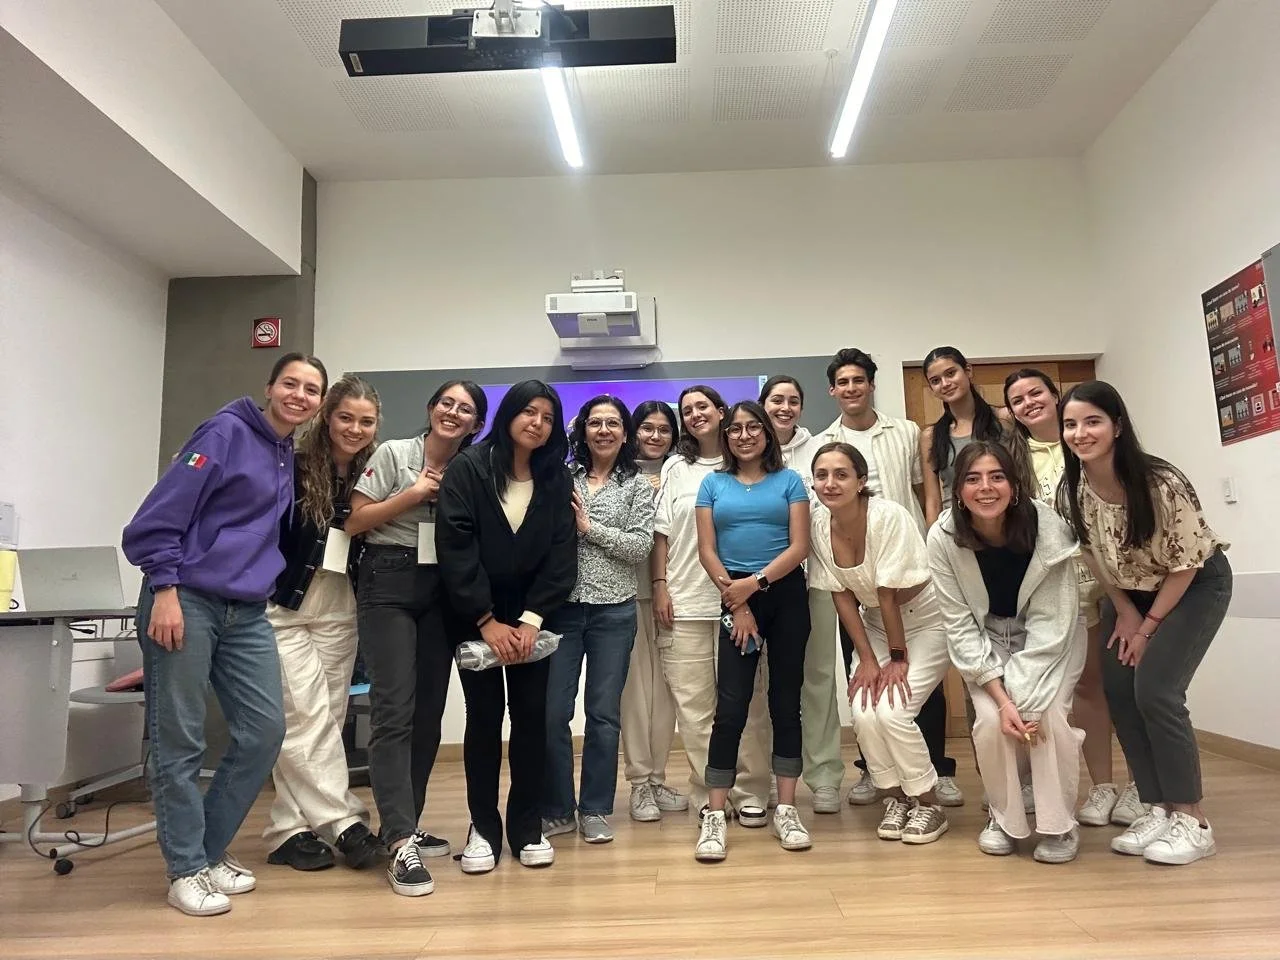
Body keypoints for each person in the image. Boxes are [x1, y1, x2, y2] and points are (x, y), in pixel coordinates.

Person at [122, 352, 327, 916]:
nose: (300, 395)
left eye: (311, 390)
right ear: (270, 386)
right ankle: (185, 869)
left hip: (246, 611)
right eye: (291, 383)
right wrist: (165, 589)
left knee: (264, 732)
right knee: (180, 740)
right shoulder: (225, 431)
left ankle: (207, 853)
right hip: (184, 598)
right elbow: (154, 520)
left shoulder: (286, 451)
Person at [1059, 381, 1231, 866]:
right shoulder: (1072, 489)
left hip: (1192, 587)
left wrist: (1148, 626)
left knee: (1156, 691)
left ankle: (1192, 820)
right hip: (1129, 594)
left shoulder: (1159, 482)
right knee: (1120, 692)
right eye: (1071, 424)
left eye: (1092, 421)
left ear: (1117, 426)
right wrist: (1127, 611)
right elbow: (1095, 557)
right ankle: (1155, 806)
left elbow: (1186, 565)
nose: (1080, 432)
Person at [346, 379, 488, 896]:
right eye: (446, 403)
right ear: (431, 409)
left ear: (477, 423)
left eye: (466, 409)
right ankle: (400, 843)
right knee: (394, 710)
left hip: (442, 587)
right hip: (389, 579)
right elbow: (354, 521)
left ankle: (402, 823)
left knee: (428, 714)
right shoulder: (394, 453)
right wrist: (413, 495)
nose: (454, 412)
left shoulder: (473, 467)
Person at [436, 380, 577, 873]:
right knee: (483, 719)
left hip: (535, 621)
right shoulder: (469, 468)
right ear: (509, 414)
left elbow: (562, 554)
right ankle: (482, 827)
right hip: (476, 614)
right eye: (528, 412)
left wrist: (532, 620)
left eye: (547, 416)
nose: (537, 423)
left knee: (532, 720)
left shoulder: (556, 478)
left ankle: (526, 826)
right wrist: (486, 621)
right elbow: (455, 548)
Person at [928, 442, 1086, 864]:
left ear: (1014, 485)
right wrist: (1002, 698)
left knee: (1046, 715)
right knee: (989, 723)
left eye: (996, 477)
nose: (986, 488)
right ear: (957, 489)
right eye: (972, 479)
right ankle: (1005, 819)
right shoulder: (943, 537)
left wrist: (1023, 695)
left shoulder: (1047, 527)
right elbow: (959, 625)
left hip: (1051, 639)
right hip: (986, 640)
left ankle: (1058, 824)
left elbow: (1054, 622)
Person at [818, 347, 962, 807]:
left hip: (911, 579)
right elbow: (844, 595)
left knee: (907, 696)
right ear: (833, 390)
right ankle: (885, 782)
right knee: (866, 696)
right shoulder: (827, 448)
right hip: (870, 604)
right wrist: (873, 656)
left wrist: (934, 536)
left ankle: (933, 776)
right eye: (842, 382)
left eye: (858, 380)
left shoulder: (905, 432)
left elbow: (928, 491)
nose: (851, 388)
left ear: (871, 384)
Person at [1004, 369, 1144, 828]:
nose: (1028, 403)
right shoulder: (1014, 458)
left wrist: (1123, 600)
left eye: (1035, 393)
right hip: (1067, 589)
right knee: (1088, 688)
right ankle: (1103, 786)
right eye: (1017, 400)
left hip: (1122, 584)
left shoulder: (1088, 446)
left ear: (1054, 395)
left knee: (1134, 688)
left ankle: (1144, 786)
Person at [264, 375, 385, 874]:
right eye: (345, 417)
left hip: (341, 604)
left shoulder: (375, 471)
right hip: (285, 604)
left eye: (366, 421)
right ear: (326, 416)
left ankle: (288, 830)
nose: (354, 428)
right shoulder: (291, 465)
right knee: (302, 717)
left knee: (328, 718)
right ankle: (345, 823)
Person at [809, 442, 951, 844]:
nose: (831, 483)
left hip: (926, 621)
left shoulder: (889, 516)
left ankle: (929, 802)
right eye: (822, 475)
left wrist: (898, 658)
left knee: (894, 710)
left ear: (861, 481)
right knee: (864, 707)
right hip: (875, 623)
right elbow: (840, 595)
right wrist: (868, 659)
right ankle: (895, 798)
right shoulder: (820, 524)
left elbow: (888, 591)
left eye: (841, 474)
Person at [694, 401, 812, 862]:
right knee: (730, 708)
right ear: (726, 437)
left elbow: (800, 546)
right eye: (736, 429)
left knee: (786, 703)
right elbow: (708, 550)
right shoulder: (713, 483)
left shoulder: (790, 481)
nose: (744, 435)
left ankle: (786, 807)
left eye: (753, 427)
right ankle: (715, 815)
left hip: (783, 596)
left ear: (767, 433)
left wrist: (756, 585)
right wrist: (738, 599)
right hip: (733, 594)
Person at [652, 386, 772, 825]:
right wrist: (661, 585)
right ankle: (709, 789)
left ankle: (753, 789)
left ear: (722, 413)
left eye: (703, 406)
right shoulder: (676, 468)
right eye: (687, 411)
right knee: (695, 708)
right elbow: (661, 533)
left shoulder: (746, 466)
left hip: (739, 601)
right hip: (685, 603)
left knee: (748, 702)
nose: (695, 415)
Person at [543, 395, 655, 844]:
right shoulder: (560, 476)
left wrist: (590, 530)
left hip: (614, 611)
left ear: (625, 433)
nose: (604, 430)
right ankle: (557, 809)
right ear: (582, 430)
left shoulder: (637, 484)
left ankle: (594, 809)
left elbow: (639, 547)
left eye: (613, 423)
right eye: (596, 423)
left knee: (603, 715)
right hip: (561, 609)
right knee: (552, 714)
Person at [760, 376, 841, 814]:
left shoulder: (820, 450)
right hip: (767, 583)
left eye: (793, 400)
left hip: (818, 579)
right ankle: (777, 773)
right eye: (776, 400)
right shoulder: (747, 453)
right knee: (772, 684)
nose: (784, 408)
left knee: (819, 679)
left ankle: (825, 775)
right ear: (763, 404)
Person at [619, 400, 687, 822]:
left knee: (667, 697)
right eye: (647, 428)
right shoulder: (618, 473)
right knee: (634, 697)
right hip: (628, 594)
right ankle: (639, 783)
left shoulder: (684, 473)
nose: (656, 436)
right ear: (633, 432)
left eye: (664, 429)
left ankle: (658, 778)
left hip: (677, 595)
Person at [920, 345, 1020, 528]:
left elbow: (1023, 475)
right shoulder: (931, 436)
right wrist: (931, 545)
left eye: (951, 373)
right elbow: (933, 501)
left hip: (1008, 524)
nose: (945, 383)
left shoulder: (1004, 419)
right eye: (935, 380)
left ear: (968, 371)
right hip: (956, 530)